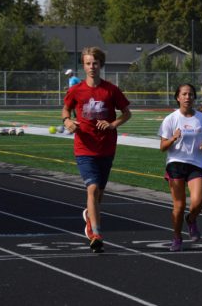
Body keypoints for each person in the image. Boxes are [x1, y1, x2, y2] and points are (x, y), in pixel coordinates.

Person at [62, 46, 131, 253]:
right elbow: (66, 108)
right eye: (88, 63)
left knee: (99, 193)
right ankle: (97, 234)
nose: (92, 67)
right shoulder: (76, 89)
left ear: (101, 65)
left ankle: (90, 219)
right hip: (84, 147)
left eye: (95, 63)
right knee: (91, 188)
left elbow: (127, 113)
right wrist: (67, 121)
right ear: (83, 66)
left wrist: (112, 125)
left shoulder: (111, 90)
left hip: (106, 147)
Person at [158, 83, 202, 252]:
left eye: (191, 94)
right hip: (175, 162)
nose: (188, 97)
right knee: (179, 206)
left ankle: (191, 219)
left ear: (194, 97)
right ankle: (177, 236)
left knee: (198, 201)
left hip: (196, 162)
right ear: (178, 97)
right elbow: (162, 146)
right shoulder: (171, 119)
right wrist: (173, 138)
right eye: (184, 94)